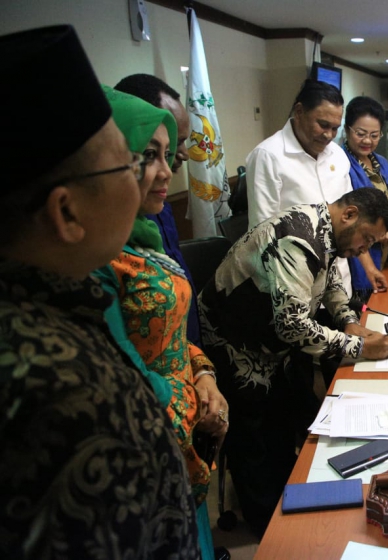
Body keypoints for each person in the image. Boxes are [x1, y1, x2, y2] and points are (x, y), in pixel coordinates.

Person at [0, 25, 198, 557]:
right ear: (66, 212)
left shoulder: (58, 300)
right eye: (131, 163)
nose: (152, 178)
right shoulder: (64, 391)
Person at [198, 188, 388, 536]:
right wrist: (358, 347)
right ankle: (269, 529)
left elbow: (328, 279)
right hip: (235, 345)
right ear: (349, 214)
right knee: (255, 443)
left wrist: (348, 320)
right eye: (367, 239)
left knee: (285, 425)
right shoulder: (297, 238)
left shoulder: (327, 230)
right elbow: (292, 326)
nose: (364, 250)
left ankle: (285, 497)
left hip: (270, 345)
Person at [92, 87, 229, 560]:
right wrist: (191, 405)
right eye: (149, 156)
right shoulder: (93, 257)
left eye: (168, 155)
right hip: (146, 446)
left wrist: (204, 374)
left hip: (183, 431)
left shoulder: (144, 231)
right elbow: (120, 377)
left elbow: (169, 331)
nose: (169, 171)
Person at [114, 73, 203, 345]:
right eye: (151, 153)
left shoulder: (158, 204)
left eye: (169, 148)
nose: (183, 153)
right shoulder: (107, 241)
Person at [245, 79, 353, 292]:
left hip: (339, 279)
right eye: (323, 125)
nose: (329, 135)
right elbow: (262, 233)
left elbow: (350, 212)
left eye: (335, 128)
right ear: (299, 111)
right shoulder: (268, 155)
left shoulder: (337, 154)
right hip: (294, 284)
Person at [343, 96, 388, 301]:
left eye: (374, 135)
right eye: (360, 134)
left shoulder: (381, 162)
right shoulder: (340, 163)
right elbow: (346, 217)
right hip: (358, 256)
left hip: (386, 253)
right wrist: (381, 233)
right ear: (347, 130)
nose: (368, 141)